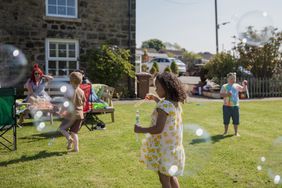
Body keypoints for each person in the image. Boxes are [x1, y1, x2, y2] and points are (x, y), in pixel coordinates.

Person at [134, 72, 187, 188]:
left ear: (166, 87)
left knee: (164, 180)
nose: (155, 89)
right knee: (172, 176)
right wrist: (156, 99)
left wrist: (140, 129)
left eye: (157, 86)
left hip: (164, 151)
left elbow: (158, 129)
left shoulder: (164, 106)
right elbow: (165, 106)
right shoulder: (175, 104)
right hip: (174, 149)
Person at [59, 71, 85, 152]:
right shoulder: (82, 91)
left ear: (70, 81)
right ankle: (76, 148)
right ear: (80, 81)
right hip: (80, 115)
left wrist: (62, 112)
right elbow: (84, 102)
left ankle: (69, 138)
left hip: (71, 114)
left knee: (62, 129)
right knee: (74, 132)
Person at [220, 72, 248, 136]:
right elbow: (221, 94)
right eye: (231, 78)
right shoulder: (224, 86)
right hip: (226, 106)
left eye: (234, 78)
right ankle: (225, 132)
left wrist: (245, 85)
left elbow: (243, 90)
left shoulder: (236, 85)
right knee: (226, 120)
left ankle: (236, 133)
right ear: (228, 79)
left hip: (235, 106)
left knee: (236, 120)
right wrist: (227, 94)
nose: (233, 80)